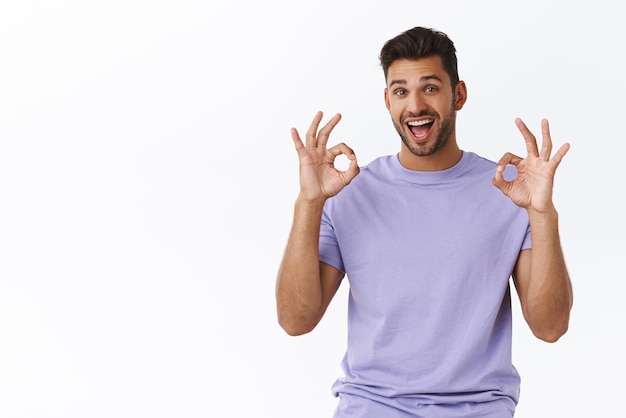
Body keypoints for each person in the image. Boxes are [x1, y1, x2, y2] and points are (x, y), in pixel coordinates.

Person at [275, 26, 573, 418]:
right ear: (387, 100)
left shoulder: (508, 192)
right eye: (401, 91)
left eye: (430, 88)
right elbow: (296, 321)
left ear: (459, 95)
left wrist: (542, 214)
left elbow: (549, 328)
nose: (414, 106)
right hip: (372, 407)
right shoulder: (348, 193)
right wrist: (308, 203)